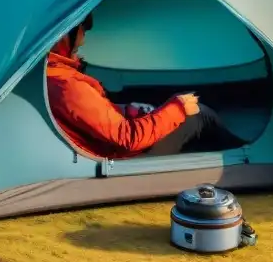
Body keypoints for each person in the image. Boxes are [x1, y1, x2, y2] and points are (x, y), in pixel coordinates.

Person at [46, 13, 252, 159]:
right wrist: (178, 107)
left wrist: (123, 110)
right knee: (199, 116)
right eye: (83, 27)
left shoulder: (54, 74)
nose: (85, 36)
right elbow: (127, 138)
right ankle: (245, 155)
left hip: (112, 145)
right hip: (125, 157)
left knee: (167, 109)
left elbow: (90, 117)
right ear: (64, 37)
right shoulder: (67, 86)